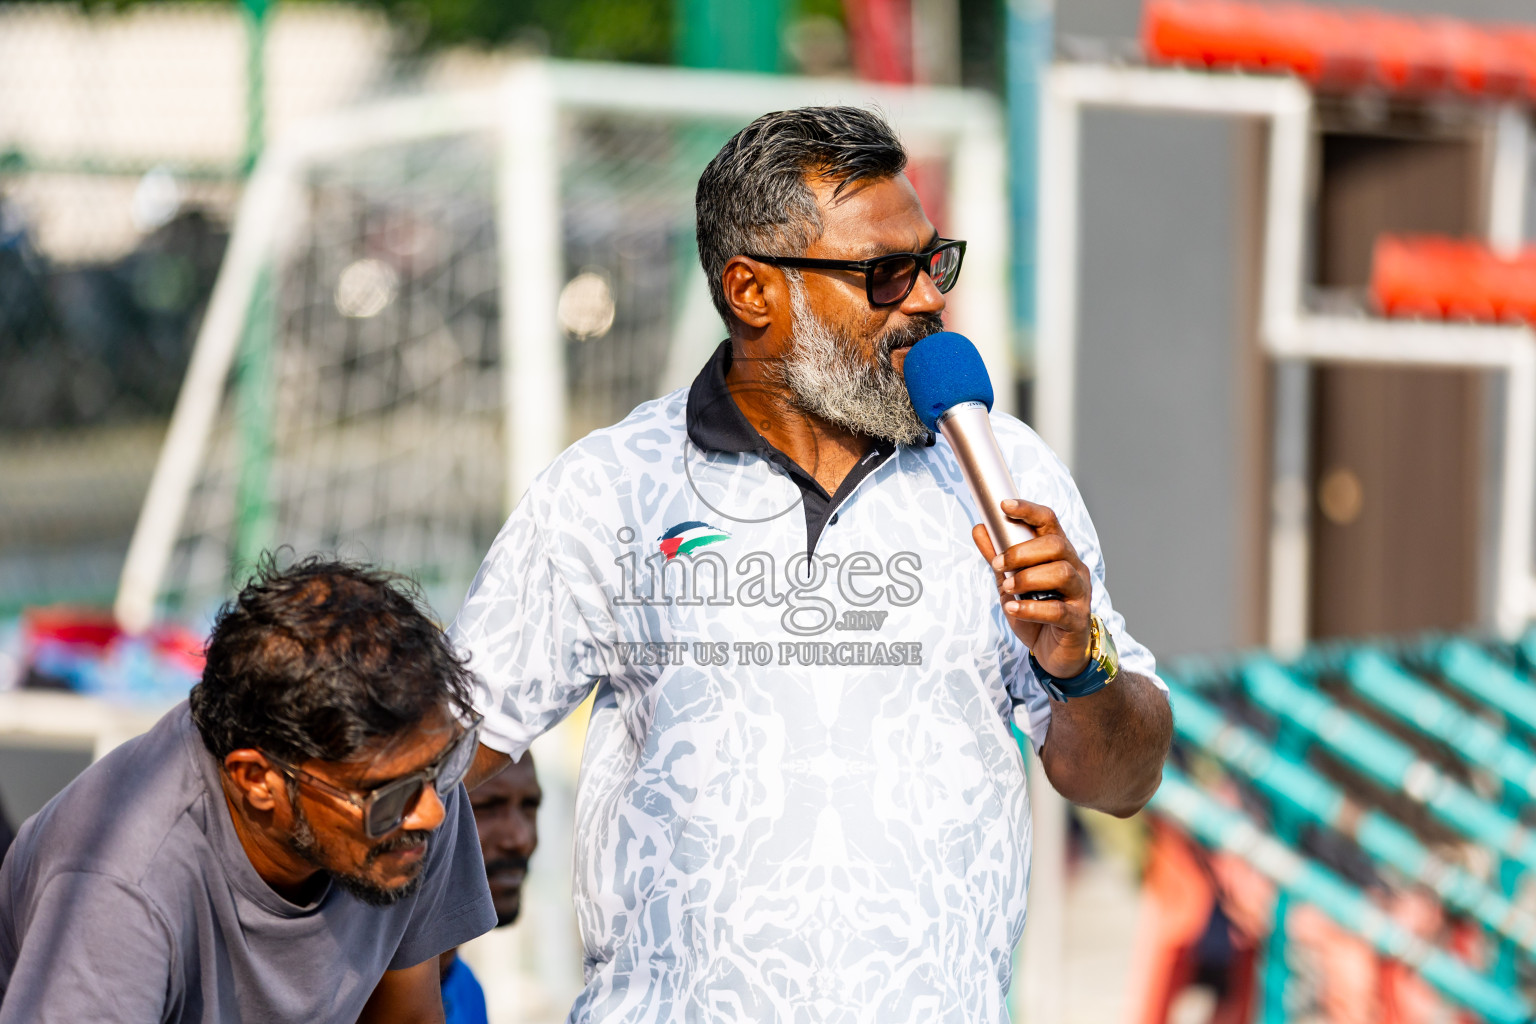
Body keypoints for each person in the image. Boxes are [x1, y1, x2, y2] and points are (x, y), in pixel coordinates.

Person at [452, 106, 1173, 1022]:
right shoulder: (613, 488)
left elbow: (1124, 782)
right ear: (753, 291)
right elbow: (444, 758)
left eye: (932, 263)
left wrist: (1079, 660)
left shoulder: (1008, 471)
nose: (925, 299)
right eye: (884, 273)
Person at [0, 558, 496, 1023]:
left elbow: (408, 1016)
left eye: (441, 765)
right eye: (389, 795)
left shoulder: (411, 794)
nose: (431, 811)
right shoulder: (123, 888)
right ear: (258, 780)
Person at [439, 753, 542, 1024]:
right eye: (487, 807)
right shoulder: (351, 994)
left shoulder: (467, 990)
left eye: (530, 806)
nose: (521, 838)